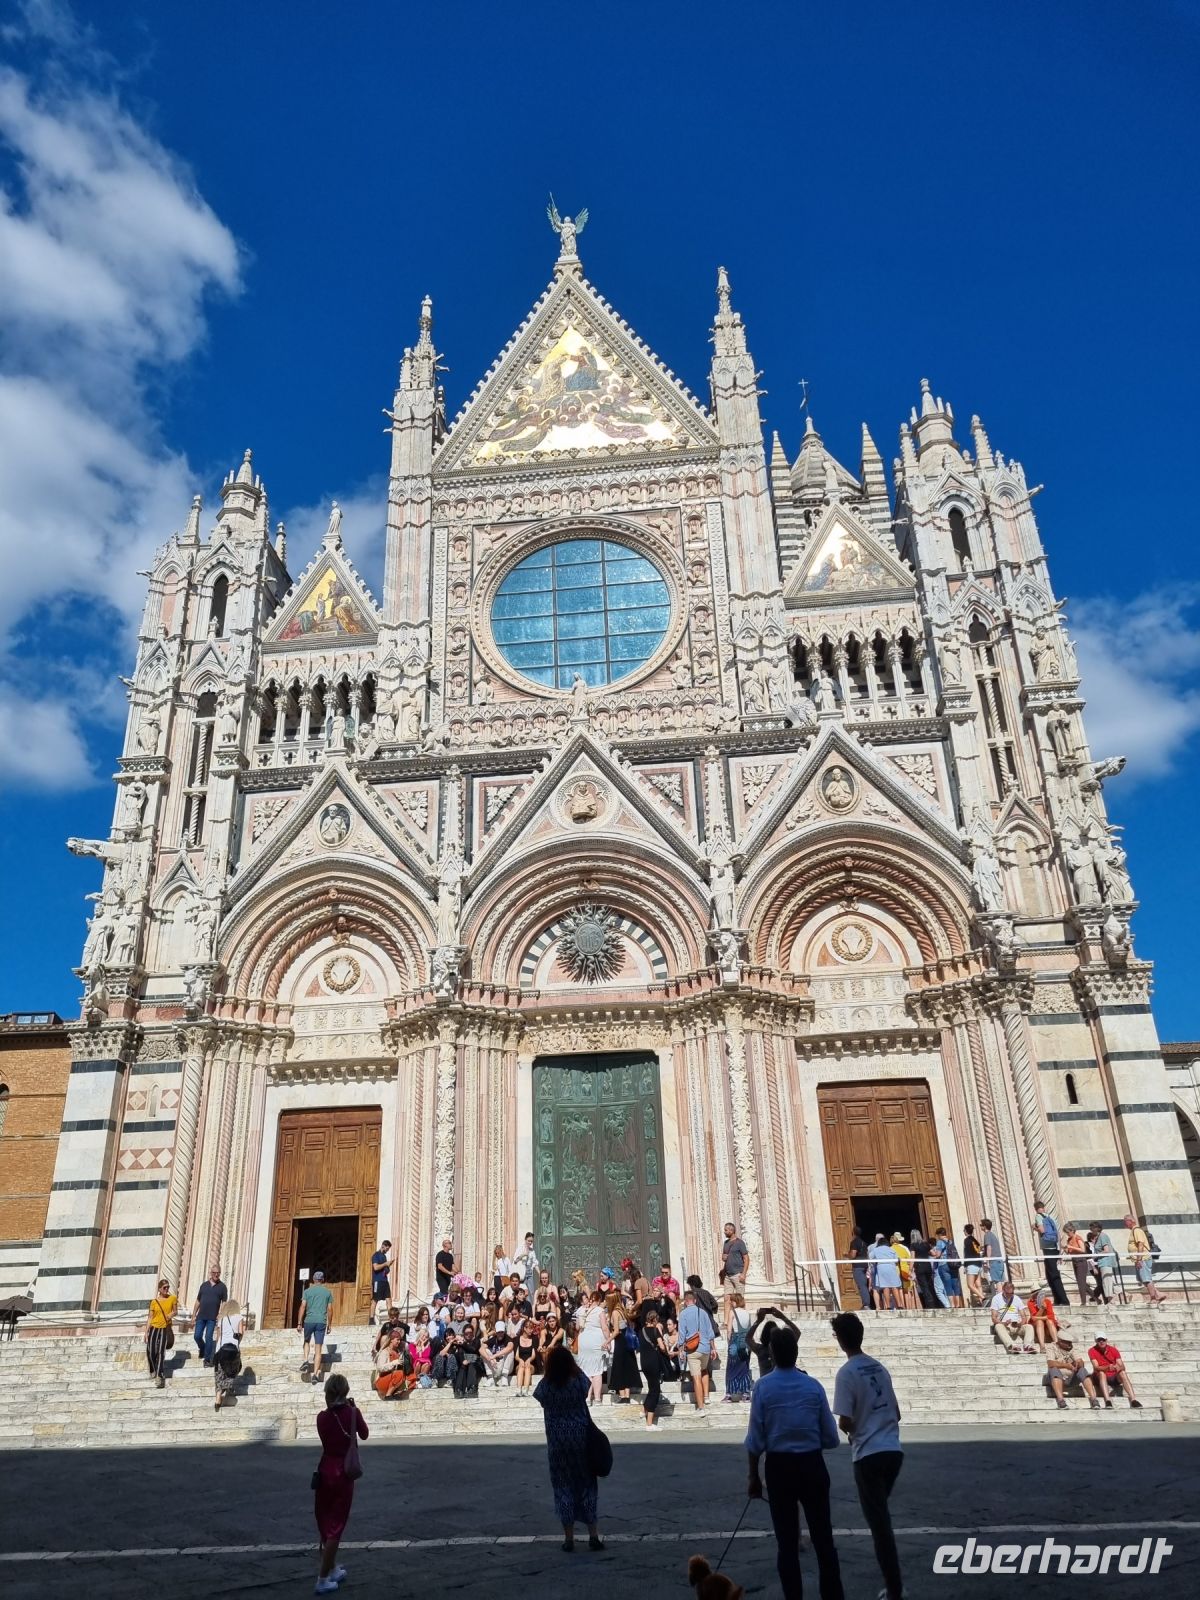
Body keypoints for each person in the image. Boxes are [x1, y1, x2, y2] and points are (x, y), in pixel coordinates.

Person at [745, 1327, 844, 1600]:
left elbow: (755, 1439)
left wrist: (753, 1477)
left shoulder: (763, 1387)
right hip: (812, 1465)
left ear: (772, 1354)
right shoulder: (813, 1386)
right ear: (796, 1352)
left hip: (779, 1468)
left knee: (786, 1544)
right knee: (824, 1540)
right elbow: (831, 1438)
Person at [831, 1312, 903, 1600]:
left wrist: (852, 1431)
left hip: (868, 1454)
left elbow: (845, 1421)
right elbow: (896, 1412)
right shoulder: (879, 1368)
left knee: (880, 1527)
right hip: (893, 1450)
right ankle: (893, 1584)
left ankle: (895, 1589)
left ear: (840, 1340)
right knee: (880, 1517)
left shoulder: (846, 1373)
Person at [534, 1344, 605, 1551]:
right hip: (581, 1439)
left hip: (558, 1442)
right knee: (587, 1486)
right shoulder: (577, 1381)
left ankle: (569, 1539)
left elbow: (540, 1399)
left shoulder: (546, 1385)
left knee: (562, 1487)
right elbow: (586, 1386)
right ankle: (593, 1535)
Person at [313, 1372, 368, 1594]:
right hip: (343, 1473)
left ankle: (332, 1567)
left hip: (325, 1469)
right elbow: (364, 1434)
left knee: (325, 1520)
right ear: (345, 1392)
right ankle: (322, 1578)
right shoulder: (352, 1413)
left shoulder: (321, 1418)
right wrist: (353, 1411)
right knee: (336, 1525)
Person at [679, 1287, 718, 1411]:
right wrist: (713, 1349)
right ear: (695, 1300)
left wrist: (681, 1349)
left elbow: (682, 1334)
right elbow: (710, 1332)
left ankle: (700, 1407)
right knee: (704, 1370)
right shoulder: (703, 1312)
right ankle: (706, 1397)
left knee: (696, 1378)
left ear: (686, 1301)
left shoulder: (683, 1314)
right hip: (705, 1347)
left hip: (692, 1349)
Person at [1086, 1333, 1144, 1409]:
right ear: (1096, 1341)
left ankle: (1133, 1400)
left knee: (1122, 1373)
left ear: (1106, 1340)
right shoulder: (1092, 1350)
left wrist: (1117, 1367)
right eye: (1099, 1340)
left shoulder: (1113, 1350)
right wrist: (1107, 1367)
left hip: (1113, 1376)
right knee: (1101, 1373)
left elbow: (1122, 1366)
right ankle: (1107, 1400)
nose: (1101, 1341)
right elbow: (1096, 1367)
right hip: (1100, 1376)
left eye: (1103, 1339)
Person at [1044, 1335, 1101, 1410]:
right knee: (1053, 1369)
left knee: (1082, 1370)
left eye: (1070, 1342)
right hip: (1056, 1377)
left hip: (1071, 1377)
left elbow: (1080, 1362)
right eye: (1067, 1342)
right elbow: (1050, 1363)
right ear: (1060, 1342)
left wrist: (1078, 1363)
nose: (1070, 1344)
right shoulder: (1051, 1347)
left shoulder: (1072, 1348)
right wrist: (1066, 1365)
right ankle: (1061, 1400)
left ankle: (1094, 1399)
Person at [574, 1290, 610, 1405]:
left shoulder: (581, 1310)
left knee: (586, 1370)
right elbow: (604, 1328)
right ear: (599, 1300)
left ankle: (587, 1398)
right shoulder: (600, 1311)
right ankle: (597, 1398)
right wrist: (608, 1341)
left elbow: (577, 1327)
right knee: (597, 1371)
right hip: (596, 1340)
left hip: (583, 1340)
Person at [298, 1271, 335, 1383]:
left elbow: (303, 1306)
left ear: (313, 1280)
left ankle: (305, 1360)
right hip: (321, 1322)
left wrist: (299, 1323)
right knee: (318, 1348)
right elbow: (330, 1309)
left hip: (309, 1320)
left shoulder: (307, 1291)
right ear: (322, 1280)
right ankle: (315, 1374)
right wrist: (329, 1324)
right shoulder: (327, 1292)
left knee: (306, 1341)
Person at [748, 1305, 801, 1380]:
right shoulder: (784, 1347)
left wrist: (758, 1321)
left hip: (766, 1383)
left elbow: (748, 1338)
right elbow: (797, 1332)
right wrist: (782, 1317)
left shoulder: (760, 1350)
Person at [605, 1293, 642, 1403]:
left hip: (620, 1342)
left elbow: (616, 1331)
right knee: (627, 1367)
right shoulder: (622, 1310)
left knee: (619, 1367)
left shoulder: (615, 1312)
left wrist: (607, 1341)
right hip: (627, 1342)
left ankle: (622, 1396)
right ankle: (627, 1395)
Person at [1033, 1200, 1070, 1306]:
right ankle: (1058, 1299)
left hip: (1048, 1248)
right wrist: (1059, 1251)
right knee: (1050, 1275)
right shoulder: (1050, 1217)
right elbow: (1058, 1234)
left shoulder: (1038, 1217)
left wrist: (1034, 1228)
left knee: (1053, 1274)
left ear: (1035, 1209)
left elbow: (1042, 1230)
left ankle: (1064, 1300)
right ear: (1043, 1207)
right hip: (1054, 1247)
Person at [638, 1307, 670, 1427]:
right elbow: (662, 1347)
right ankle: (649, 1423)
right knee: (655, 1390)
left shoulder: (641, 1331)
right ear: (655, 1320)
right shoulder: (655, 1331)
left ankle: (643, 1410)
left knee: (652, 1388)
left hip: (644, 1363)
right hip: (653, 1362)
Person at [1126, 1214, 1166, 1306]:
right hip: (1140, 1259)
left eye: (1125, 1221)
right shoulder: (1134, 1230)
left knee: (1146, 1279)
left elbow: (1140, 1244)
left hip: (1142, 1258)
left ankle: (1153, 1298)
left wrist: (1139, 1259)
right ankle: (1158, 1294)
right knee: (1143, 1279)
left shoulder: (1137, 1230)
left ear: (1131, 1221)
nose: (1125, 1224)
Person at [144, 1277, 177, 1389]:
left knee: (161, 1352)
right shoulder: (154, 1302)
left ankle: (159, 1376)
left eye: (168, 1287)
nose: (166, 1289)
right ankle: (152, 1369)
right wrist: (146, 1332)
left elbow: (175, 1311)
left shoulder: (172, 1298)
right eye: (164, 1288)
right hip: (154, 1327)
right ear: (159, 1289)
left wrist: (170, 1315)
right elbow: (150, 1317)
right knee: (150, 1350)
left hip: (164, 1328)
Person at [191, 1264, 228, 1366]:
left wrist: (220, 1314)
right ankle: (202, 1348)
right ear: (211, 1273)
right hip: (201, 1316)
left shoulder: (222, 1287)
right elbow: (198, 1301)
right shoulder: (204, 1285)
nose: (216, 1275)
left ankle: (207, 1359)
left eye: (218, 1273)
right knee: (197, 1336)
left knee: (208, 1337)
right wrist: (193, 1315)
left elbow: (224, 1302)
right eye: (214, 1273)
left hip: (212, 1317)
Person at [213, 1298, 244, 1411]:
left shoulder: (221, 1319)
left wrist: (216, 1349)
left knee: (219, 1373)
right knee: (234, 1368)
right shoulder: (239, 1317)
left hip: (220, 1348)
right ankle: (228, 1386)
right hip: (233, 1348)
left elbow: (218, 1336)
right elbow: (241, 1333)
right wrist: (237, 1342)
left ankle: (218, 1397)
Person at [723, 1292, 754, 1402]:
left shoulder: (732, 1312)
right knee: (744, 1367)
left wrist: (729, 1342)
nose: (730, 1303)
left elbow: (729, 1330)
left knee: (731, 1368)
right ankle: (746, 1393)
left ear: (735, 1302)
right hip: (746, 1343)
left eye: (731, 1301)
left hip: (735, 1341)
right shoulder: (747, 1313)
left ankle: (729, 1394)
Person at [990, 1280, 1033, 1353]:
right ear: (1003, 1290)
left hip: (1016, 1325)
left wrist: (1019, 1324)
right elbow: (994, 1318)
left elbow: (1024, 1317)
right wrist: (1004, 1323)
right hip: (1004, 1326)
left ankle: (1027, 1346)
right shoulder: (996, 1298)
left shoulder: (1017, 1298)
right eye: (1008, 1293)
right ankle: (1011, 1346)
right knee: (998, 1326)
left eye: (1011, 1293)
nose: (1010, 1295)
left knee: (1029, 1326)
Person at [374, 1329, 413, 1399]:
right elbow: (380, 1368)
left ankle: (397, 1393)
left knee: (412, 1376)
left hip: (394, 1379)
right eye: (397, 1340)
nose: (399, 1342)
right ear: (391, 1340)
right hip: (382, 1380)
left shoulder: (398, 1352)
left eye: (400, 1340)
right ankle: (388, 1395)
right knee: (399, 1373)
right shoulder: (384, 1352)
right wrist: (393, 1363)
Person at [1062, 1221, 1091, 1307]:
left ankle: (1083, 1302)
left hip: (1081, 1261)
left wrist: (1071, 1247)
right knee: (1080, 1282)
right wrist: (1065, 1248)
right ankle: (1096, 1298)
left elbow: (1083, 1250)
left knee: (1081, 1283)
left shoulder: (1077, 1238)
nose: (1067, 1234)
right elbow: (1069, 1252)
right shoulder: (1069, 1240)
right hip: (1074, 1261)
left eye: (1068, 1232)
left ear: (1072, 1231)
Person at [871, 1235, 901, 1311]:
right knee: (894, 1286)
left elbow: (870, 1258)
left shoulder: (875, 1250)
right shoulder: (891, 1249)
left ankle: (888, 1306)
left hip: (881, 1268)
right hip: (891, 1267)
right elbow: (897, 1259)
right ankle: (899, 1305)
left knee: (885, 1286)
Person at [721, 1221, 750, 1299]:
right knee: (727, 1298)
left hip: (737, 1274)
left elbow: (746, 1258)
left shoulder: (740, 1243)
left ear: (731, 1230)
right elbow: (724, 1256)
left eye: (726, 1230)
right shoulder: (726, 1243)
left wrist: (743, 1274)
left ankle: (741, 1308)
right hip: (728, 1276)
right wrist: (723, 1258)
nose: (724, 1232)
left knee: (739, 1299)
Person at [1090, 1222, 1118, 1303]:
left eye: (1092, 1228)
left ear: (1096, 1228)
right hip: (1102, 1262)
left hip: (1106, 1262)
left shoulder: (1103, 1236)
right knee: (1108, 1281)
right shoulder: (1099, 1237)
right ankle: (1123, 1293)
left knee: (1107, 1281)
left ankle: (1110, 1300)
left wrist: (1095, 1255)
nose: (1090, 1230)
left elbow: (1106, 1250)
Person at [482, 1319, 515, 1387]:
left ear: (504, 1331)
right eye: (498, 1332)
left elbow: (510, 1347)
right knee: (486, 1351)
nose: (500, 1334)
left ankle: (504, 1376)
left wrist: (495, 1356)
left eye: (502, 1332)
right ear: (495, 1332)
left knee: (510, 1351)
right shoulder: (493, 1339)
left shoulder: (507, 1338)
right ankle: (490, 1377)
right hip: (495, 1365)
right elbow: (481, 1349)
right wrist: (490, 1359)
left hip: (505, 1366)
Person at [1026, 1284, 1059, 1350]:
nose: (1038, 1296)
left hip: (1047, 1325)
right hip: (1037, 1325)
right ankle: (1042, 1345)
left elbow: (1051, 1316)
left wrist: (1037, 1318)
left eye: (1039, 1294)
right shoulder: (1030, 1303)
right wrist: (1042, 1309)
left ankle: (1057, 1343)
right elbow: (1034, 1319)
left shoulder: (1047, 1301)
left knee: (1049, 1321)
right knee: (1039, 1322)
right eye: (1036, 1294)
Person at [847, 1227, 871, 1310]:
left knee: (861, 1286)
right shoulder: (863, 1242)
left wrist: (847, 1255)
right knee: (863, 1285)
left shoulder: (854, 1242)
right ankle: (866, 1304)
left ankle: (866, 1305)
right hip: (864, 1265)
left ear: (853, 1233)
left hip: (858, 1266)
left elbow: (853, 1255)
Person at [962, 1223, 985, 1306]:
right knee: (978, 1285)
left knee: (970, 1285)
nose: (963, 1232)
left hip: (971, 1264)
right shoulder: (975, 1240)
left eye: (964, 1230)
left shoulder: (967, 1240)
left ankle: (983, 1298)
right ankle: (982, 1303)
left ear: (966, 1231)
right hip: (978, 1264)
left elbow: (967, 1254)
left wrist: (965, 1266)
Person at [370, 1240, 393, 1324]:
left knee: (389, 1299)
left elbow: (385, 1269)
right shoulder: (375, 1255)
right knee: (375, 1299)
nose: (387, 1250)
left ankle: (391, 1318)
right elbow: (375, 1268)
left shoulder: (384, 1256)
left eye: (388, 1249)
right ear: (383, 1246)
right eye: (387, 1248)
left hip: (384, 1280)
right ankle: (371, 1319)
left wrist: (388, 1266)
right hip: (377, 1281)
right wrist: (385, 1264)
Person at [980, 1217, 1005, 1289]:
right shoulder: (992, 1235)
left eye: (981, 1225)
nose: (980, 1226)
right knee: (1001, 1281)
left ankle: (1000, 1296)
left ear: (984, 1226)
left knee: (997, 1282)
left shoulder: (987, 1235)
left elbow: (989, 1248)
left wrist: (988, 1261)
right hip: (999, 1260)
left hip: (994, 1261)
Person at [514, 1231, 540, 1298]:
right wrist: (524, 1254)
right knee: (522, 1290)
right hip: (522, 1271)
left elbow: (535, 1263)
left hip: (529, 1272)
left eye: (531, 1241)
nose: (530, 1243)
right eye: (529, 1241)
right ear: (525, 1239)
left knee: (531, 1291)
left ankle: (531, 1304)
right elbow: (515, 1260)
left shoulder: (532, 1250)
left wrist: (539, 1273)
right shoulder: (520, 1248)